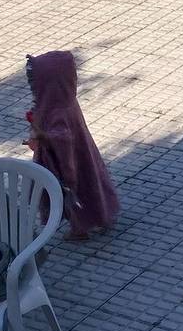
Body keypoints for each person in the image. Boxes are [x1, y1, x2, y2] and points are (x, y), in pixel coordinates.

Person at [25, 52, 120, 241]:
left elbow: (62, 138)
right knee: (92, 184)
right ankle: (102, 215)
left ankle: (79, 229)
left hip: (64, 162)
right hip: (82, 156)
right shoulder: (64, 101)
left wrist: (42, 136)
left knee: (71, 193)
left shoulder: (56, 110)